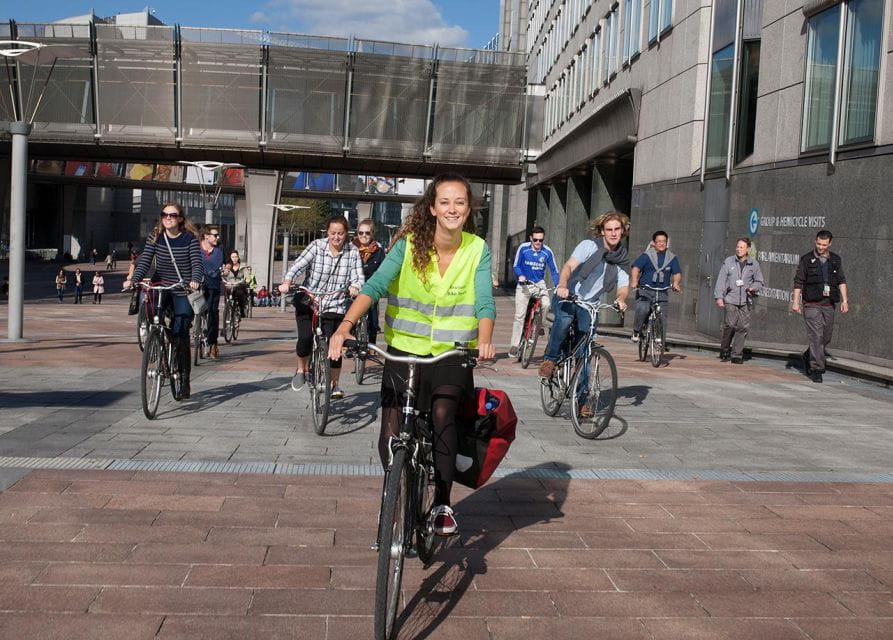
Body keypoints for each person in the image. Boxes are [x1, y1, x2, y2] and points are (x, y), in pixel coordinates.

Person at [329, 173, 496, 536]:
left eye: (460, 202)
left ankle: (442, 503)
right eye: (445, 202)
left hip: (452, 354)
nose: (452, 209)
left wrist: (484, 339)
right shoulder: (407, 246)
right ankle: (394, 494)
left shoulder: (476, 249)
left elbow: (484, 300)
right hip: (404, 350)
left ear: (468, 210)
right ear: (433, 208)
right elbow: (374, 286)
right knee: (389, 435)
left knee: (442, 415)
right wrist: (345, 327)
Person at [538, 212, 631, 405]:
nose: (613, 233)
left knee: (585, 354)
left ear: (623, 231)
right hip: (569, 295)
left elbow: (623, 286)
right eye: (609, 229)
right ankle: (551, 359)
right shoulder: (589, 246)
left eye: (617, 229)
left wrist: (621, 299)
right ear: (602, 232)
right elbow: (568, 267)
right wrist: (563, 285)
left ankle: (581, 403)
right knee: (563, 321)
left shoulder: (621, 258)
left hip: (590, 305)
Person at [279, 215, 364, 400]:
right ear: (327, 232)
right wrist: (287, 281)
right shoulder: (317, 246)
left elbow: (358, 276)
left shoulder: (352, 251)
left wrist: (355, 286)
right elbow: (298, 265)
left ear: (346, 234)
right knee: (305, 339)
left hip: (335, 304)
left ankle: (334, 384)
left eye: (340, 233)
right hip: (310, 301)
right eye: (333, 233)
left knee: (335, 345)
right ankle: (302, 369)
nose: (336, 237)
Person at [124, 202, 204, 398]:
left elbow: (197, 264)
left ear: (180, 219)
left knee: (181, 331)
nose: (168, 218)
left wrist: (194, 280)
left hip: (182, 287)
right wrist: (133, 280)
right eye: (165, 214)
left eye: (173, 215)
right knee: (152, 312)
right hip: (161, 284)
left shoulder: (189, 239)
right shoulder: (156, 237)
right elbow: (145, 261)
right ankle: (158, 340)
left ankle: (184, 379)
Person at [792, 229, 849, 383]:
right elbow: (798, 282)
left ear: (830, 243)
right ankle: (817, 368)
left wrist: (845, 300)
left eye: (824, 244)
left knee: (826, 336)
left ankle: (808, 354)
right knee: (816, 335)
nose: (821, 247)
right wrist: (796, 301)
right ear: (815, 241)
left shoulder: (836, 259)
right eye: (818, 243)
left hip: (829, 304)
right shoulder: (806, 259)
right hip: (811, 303)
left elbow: (841, 280)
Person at [509, 225, 559, 357]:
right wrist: (520, 275)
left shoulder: (547, 251)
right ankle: (514, 345)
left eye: (540, 240)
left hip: (539, 283)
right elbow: (516, 265)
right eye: (535, 240)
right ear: (531, 238)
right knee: (519, 316)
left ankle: (540, 324)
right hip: (524, 284)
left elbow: (554, 271)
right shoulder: (523, 248)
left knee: (547, 304)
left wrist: (558, 285)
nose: (538, 243)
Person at [714, 238, 764, 364]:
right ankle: (725, 349)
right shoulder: (729, 261)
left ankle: (737, 354)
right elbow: (721, 280)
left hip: (746, 300)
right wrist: (719, 297)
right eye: (737, 247)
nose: (739, 249)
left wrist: (753, 288)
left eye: (742, 247)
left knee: (742, 327)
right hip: (731, 298)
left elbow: (759, 281)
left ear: (747, 249)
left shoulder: (754, 264)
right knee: (730, 325)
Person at [629, 230, 682, 344]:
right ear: (654, 243)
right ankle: (636, 331)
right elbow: (636, 268)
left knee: (662, 316)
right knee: (642, 309)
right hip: (646, 290)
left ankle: (659, 337)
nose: (662, 243)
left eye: (664, 241)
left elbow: (677, 273)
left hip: (662, 291)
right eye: (659, 241)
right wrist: (634, 281)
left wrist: (676, 283)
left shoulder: (672, 258)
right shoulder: (646, 256)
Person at [352, 218, 386, 343]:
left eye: (367, 233)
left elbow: (383, 271)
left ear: (372, 234)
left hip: (371, 287)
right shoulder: (350, 249)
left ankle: (372, 344)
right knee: (348, 313)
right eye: (361, 233)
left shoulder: (378, 251)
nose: (364, 236)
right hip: (354, 287)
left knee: (372, 317)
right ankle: (349, 342)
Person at [200, 225, 224, 359]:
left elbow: (220, 264)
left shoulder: (218, 251)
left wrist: (225, 268)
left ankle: (213, 343)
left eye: (217, 235)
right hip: (197, 284)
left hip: (213, 285)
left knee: (213, 312)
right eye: (215, 235)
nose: (217, 237)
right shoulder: (196, 249)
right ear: (206, 236)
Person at [224, 251, 250, 319]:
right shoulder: (227, 267)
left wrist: (246, 280)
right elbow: (223, 276)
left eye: (236, 257)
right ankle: (228, 309)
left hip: (239, 286)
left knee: (240, 293)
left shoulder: (243, 267)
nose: (234, 259)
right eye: (232, 257)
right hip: (229, 286)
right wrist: (224, 279)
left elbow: (247, 277)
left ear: (238, 257)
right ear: (230, 258)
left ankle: (241, 310)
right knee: (227, 293)